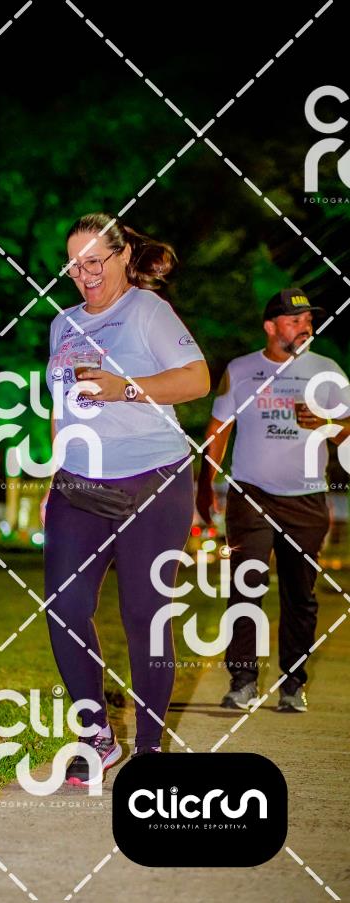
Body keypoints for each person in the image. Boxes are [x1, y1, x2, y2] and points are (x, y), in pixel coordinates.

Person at [40, 212, 210, 786]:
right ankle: (97, 738)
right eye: (74, 265)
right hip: (79, 484)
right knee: (65, 608)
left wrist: (126, 388)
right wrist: (55, 475)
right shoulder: (62, 324)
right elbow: (60, 410)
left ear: (122, 257)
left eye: (94, 262)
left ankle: (150, 748)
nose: (84, 274)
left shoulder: (146, 310)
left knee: (144, 614)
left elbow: (197, 379)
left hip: (152, 479)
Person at [196, 288, 350, 713]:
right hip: (251, 494)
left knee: (301, 596)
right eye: (295, 321)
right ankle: (243, 681)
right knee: (246, 586)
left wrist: (327, 423)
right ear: (270, 327)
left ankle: (293, 684)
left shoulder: (327, 371)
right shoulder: (241, 370)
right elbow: (219, 429)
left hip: (307, 498)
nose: (306, 328)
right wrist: (205, 483)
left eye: (309, 321)